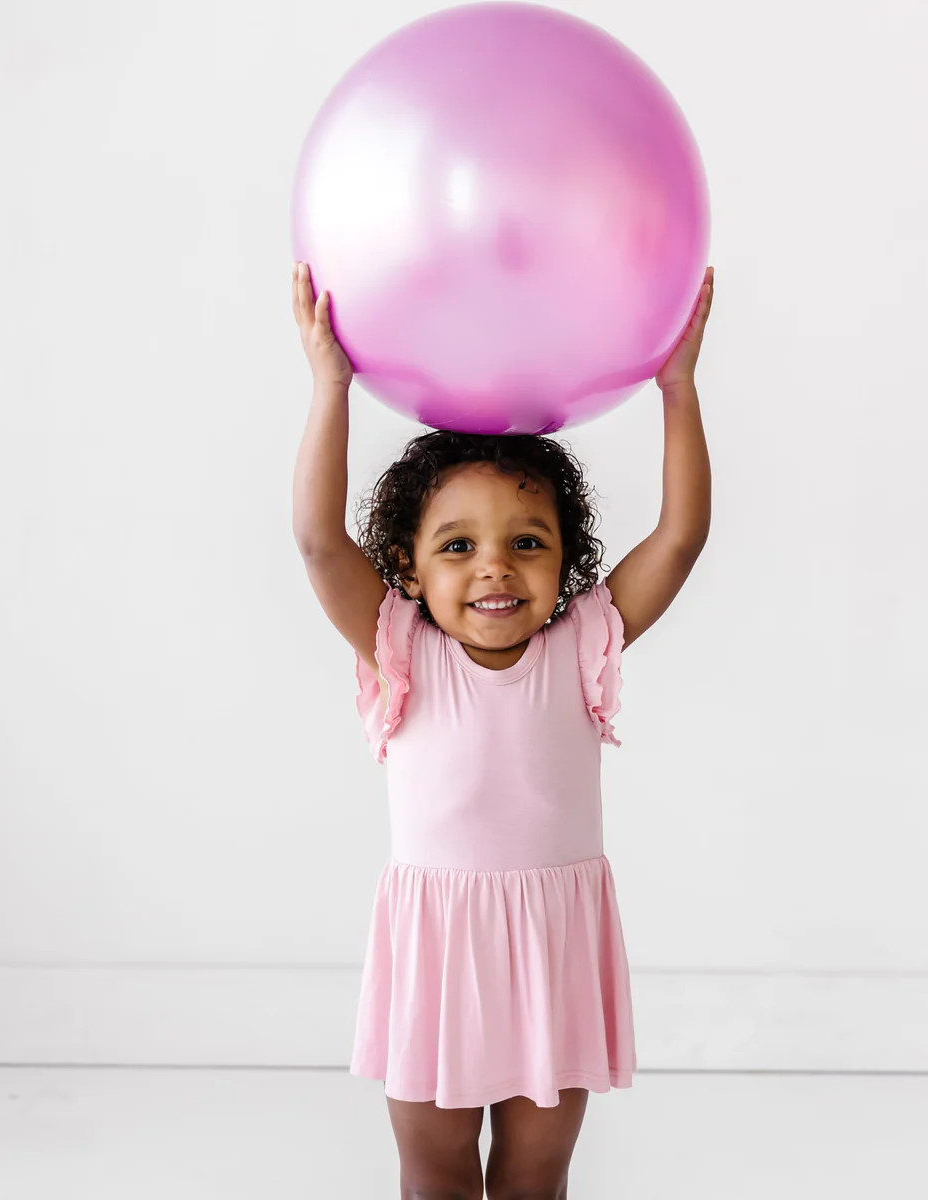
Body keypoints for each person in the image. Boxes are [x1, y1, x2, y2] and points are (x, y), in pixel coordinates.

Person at [290, 260, 714, 1199]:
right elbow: (321, 541)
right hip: (440, 953)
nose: (495, 569)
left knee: (534, 1174)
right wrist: (331, 386)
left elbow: (679, 539)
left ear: (566, 566)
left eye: (528, 542)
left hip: (552, 951)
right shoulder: (398, 646)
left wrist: (676, 390)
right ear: (407, 565)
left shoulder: (580, 645)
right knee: (434, 1170)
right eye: (457, 546)